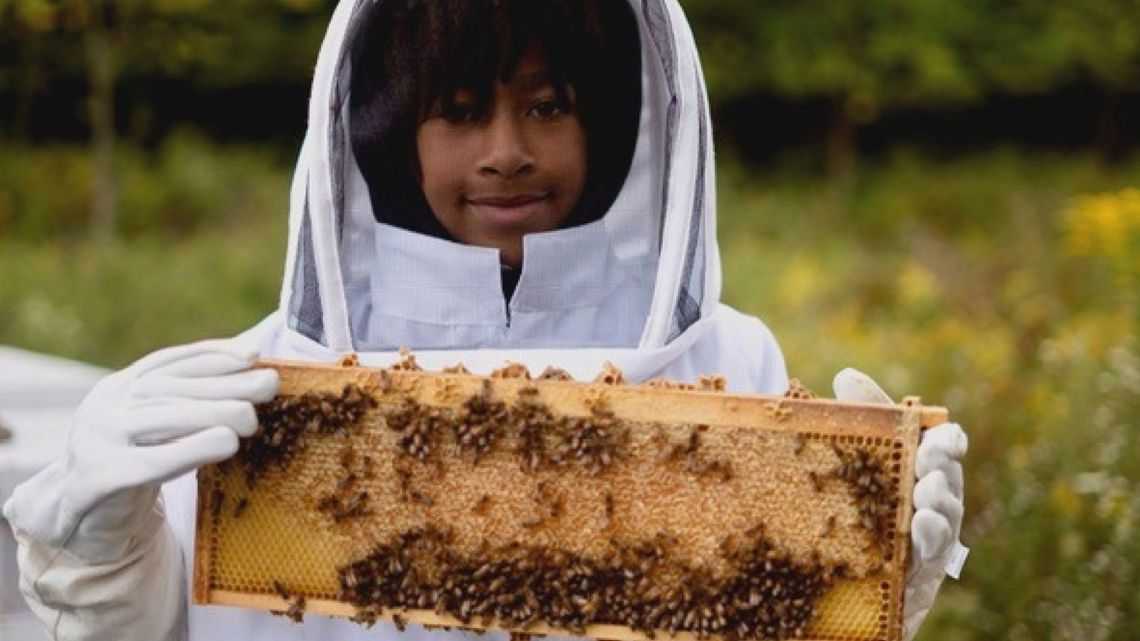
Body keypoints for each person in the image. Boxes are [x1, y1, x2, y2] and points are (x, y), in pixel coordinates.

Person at [2, 0, 968, 639]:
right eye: (458, 111)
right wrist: (110, 557)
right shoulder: (263, 381)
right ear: (384, 135)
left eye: (548, 105)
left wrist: (860, 578)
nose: (507, 151)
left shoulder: (726, 357)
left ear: (614, 122)